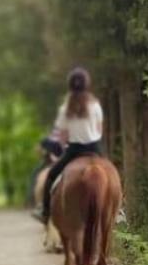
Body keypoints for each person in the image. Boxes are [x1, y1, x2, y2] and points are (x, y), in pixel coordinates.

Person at [37, 66, 104, 225]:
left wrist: (63, 144)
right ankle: (119, 212)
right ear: (87, 84)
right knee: (113, 174)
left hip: (74, 150)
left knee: (51, 176)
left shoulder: (65, 108)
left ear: (70, 85)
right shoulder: (95, 105)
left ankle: (45, 212)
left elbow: (62, 135)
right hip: (94, 147)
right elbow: (99, 129)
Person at [28, 135, 63, 209]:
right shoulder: (47, 139)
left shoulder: (49, 139)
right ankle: (34, 198)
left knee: (36, 173)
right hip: (50, 161)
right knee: (36, 173)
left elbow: (37, 149)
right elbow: (38, 149)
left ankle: (36, 200)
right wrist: (44, 153)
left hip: (56, 161)